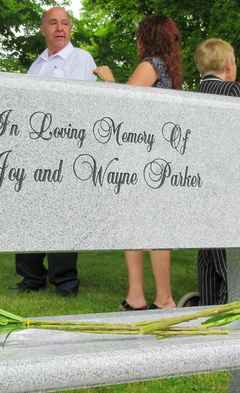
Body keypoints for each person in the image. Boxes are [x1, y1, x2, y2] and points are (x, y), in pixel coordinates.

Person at [93, 15, 182, 310]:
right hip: (154, 154)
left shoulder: (151, 65)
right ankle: (138, 297)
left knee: (149, 226)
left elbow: (126, 104)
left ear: (148, 36)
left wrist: (108, 81)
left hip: (144, 156)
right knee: (137, 224)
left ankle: (163, 298)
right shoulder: (168, 68)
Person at [12, 6, 96, 298]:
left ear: (71, 29)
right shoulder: (36, 65)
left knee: (62, 213)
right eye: (53, 23)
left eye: (65, 23)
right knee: (29, 210)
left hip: (64, 146)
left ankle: (65, 281)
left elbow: (77, 103)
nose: (60, 28)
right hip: (34, 147)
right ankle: (31, 276)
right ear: (42, 29)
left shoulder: (80, 58)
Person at [192, 38, 240, 306]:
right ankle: (233, 307)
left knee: (208, 257)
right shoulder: (235, 91)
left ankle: (207, 309)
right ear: (229, 65)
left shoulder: (191, 98)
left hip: (201, 189)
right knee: (228, 260)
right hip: (230, 188)